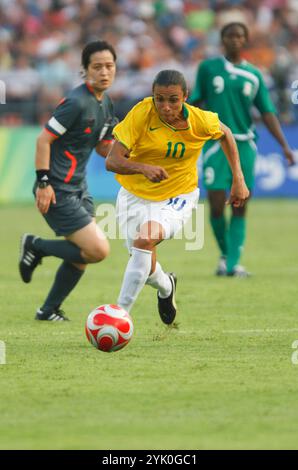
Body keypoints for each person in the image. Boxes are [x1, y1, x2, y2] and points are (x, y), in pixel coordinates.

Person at [105, 69, 249, 325]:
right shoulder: (141, 113)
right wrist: (143, 168)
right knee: (144, 265)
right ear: (153, 96)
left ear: (186, 97)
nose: (166, 106)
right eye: (159, 99)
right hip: (133, 195)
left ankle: (118, 316)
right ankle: (166, 286)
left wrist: (238, 179)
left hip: (177, 195)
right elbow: (112, 160)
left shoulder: (200, 120)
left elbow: (226, 134)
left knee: (144, 240)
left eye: (173, 99)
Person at [19, 40, 118, 321]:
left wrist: (132, 150)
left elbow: (103, 147)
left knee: (81, 255)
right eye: (97, 67)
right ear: (85, 70)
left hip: (79, 188)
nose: (104, 72)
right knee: (98, 250)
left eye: (109, 66)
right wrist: (43, 183)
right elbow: (43, 139)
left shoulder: (106, 103)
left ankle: (47, 310)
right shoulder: (76, 102)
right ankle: (35, 245)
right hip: (57, 188)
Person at [190, 22, 295, 277]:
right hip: (215, 143)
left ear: (245, 40)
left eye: (239, 36)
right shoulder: (208, 68)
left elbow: (267, 112)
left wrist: (284, 146)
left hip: (244, 144)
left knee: (240, 204)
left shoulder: (254, 75)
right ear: (222, 39)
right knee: (215, 204)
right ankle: (226, 255)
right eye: (230, 36)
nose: (235, 40)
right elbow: (195, 101)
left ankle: (233, 263)